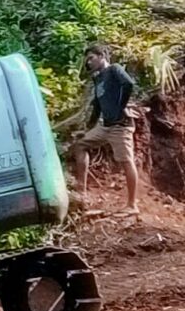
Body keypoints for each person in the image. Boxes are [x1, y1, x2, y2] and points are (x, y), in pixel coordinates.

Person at [59, 44, 143, 213]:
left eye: (91, 58)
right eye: (87, 60)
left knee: (126, 161)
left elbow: (128, 84)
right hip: (105, 126)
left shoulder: (114, 70)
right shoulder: (98, 79)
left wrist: (121, 106)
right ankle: (81, 192)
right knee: (81, 145)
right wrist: (88, 128)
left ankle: (132, 205)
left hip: (121, 125)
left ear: (102, 56)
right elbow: (97, 105)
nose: (89, 62)